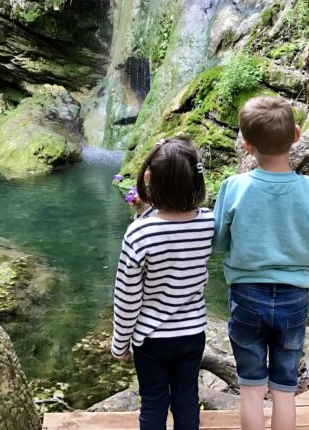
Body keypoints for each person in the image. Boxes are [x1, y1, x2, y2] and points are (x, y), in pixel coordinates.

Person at [213, 96, 309, 430]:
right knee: (285, 391)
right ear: (296, 135)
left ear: (246, 145)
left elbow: (219, 242)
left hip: (246, 296)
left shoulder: (233, 188)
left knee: (251, 389)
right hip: (294, 299)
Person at [111, 136, 215, 430]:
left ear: (148, 178)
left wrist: (120, 344)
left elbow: (127, 298)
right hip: (192, 333)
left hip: (151, 338)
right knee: (187, 399)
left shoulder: (139, 234)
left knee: (154, 402)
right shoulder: (208, 223)